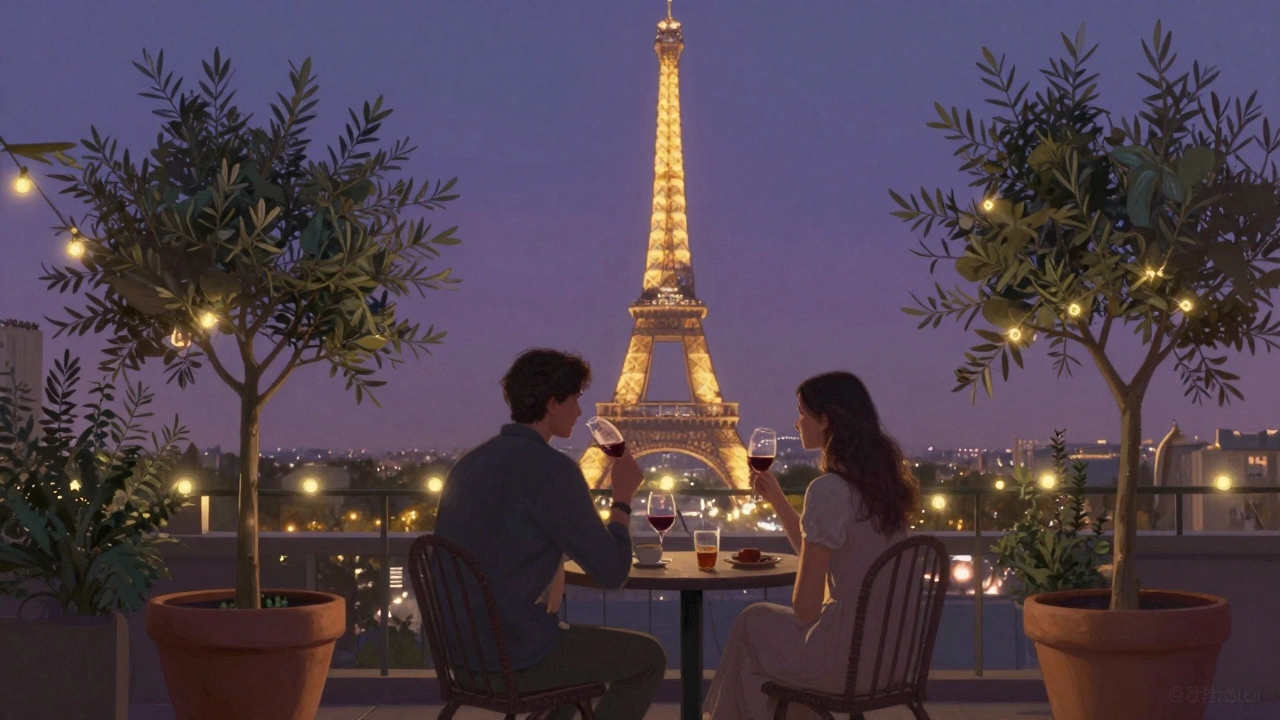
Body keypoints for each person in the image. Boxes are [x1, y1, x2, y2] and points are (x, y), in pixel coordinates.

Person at [433, 348, 666, 720]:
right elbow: (611, 572)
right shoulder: (553, 471)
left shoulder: (469, 464)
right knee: (648, 658)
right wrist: (621, 500)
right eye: (574, 399)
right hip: (515, 655)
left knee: (565, 655)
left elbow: (502, 538)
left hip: (459, 654)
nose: (578, 411)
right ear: (553, 403)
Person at [702, 371, 922, 720]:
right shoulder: (880, 489)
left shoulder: (828, 489)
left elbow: (806, 609)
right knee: (760, 652)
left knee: (752, 623)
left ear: (826, 420)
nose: (797, 422)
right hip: (892, 657)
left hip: (845, 658)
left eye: (802, 413)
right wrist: (778, 500)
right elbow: (825, 552)